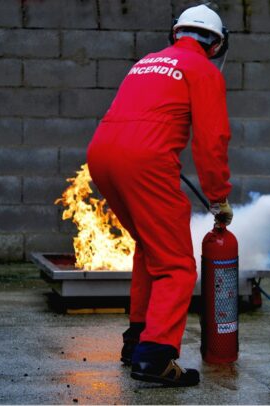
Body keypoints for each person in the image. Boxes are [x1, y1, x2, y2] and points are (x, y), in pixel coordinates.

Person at [86, 4, 233, 386]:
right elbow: (211, 140)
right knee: (178, 265)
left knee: (151, 248)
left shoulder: (147, 61)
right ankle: (155, 357)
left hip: (102, 154)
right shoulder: (204, 71)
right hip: (146, 161)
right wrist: (218, 198)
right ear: (216, 45)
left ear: (176, 34)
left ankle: (136, 342)